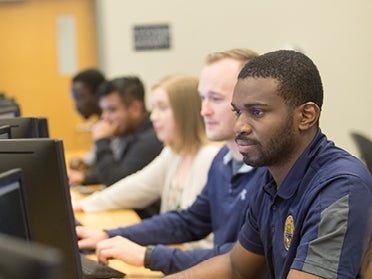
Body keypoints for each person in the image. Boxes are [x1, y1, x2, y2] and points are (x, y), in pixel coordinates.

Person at [164, 50, 372, 279]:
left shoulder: (340, 186)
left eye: (257, 112)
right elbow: (236, 267)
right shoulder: (271, 178)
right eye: (237, 111)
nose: (239, 127)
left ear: (306, 116)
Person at [75, 48, 265, 274]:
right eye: (202, 98)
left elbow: (239, 258)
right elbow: (188, 221)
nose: (203, 110)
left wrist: (149, 256)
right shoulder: (223, 160)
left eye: (215, 99)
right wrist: (111, 235)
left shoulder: (267, 173)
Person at [74, 74, 220, 227]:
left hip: (185, 249)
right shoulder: (173, 153)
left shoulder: (208, 157)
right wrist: (84, 204)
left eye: (162, 108)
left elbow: (193, 232)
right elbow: (136, 187)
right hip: (172, 247)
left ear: (185, 112)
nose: (153, 117)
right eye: (154, 108)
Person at [69, 68, 106, 171]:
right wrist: (84, 163)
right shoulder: (100, 123)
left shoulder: (113, 125)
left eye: (80, 98)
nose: (76, 106)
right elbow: (95, 158)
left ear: (98, 95)